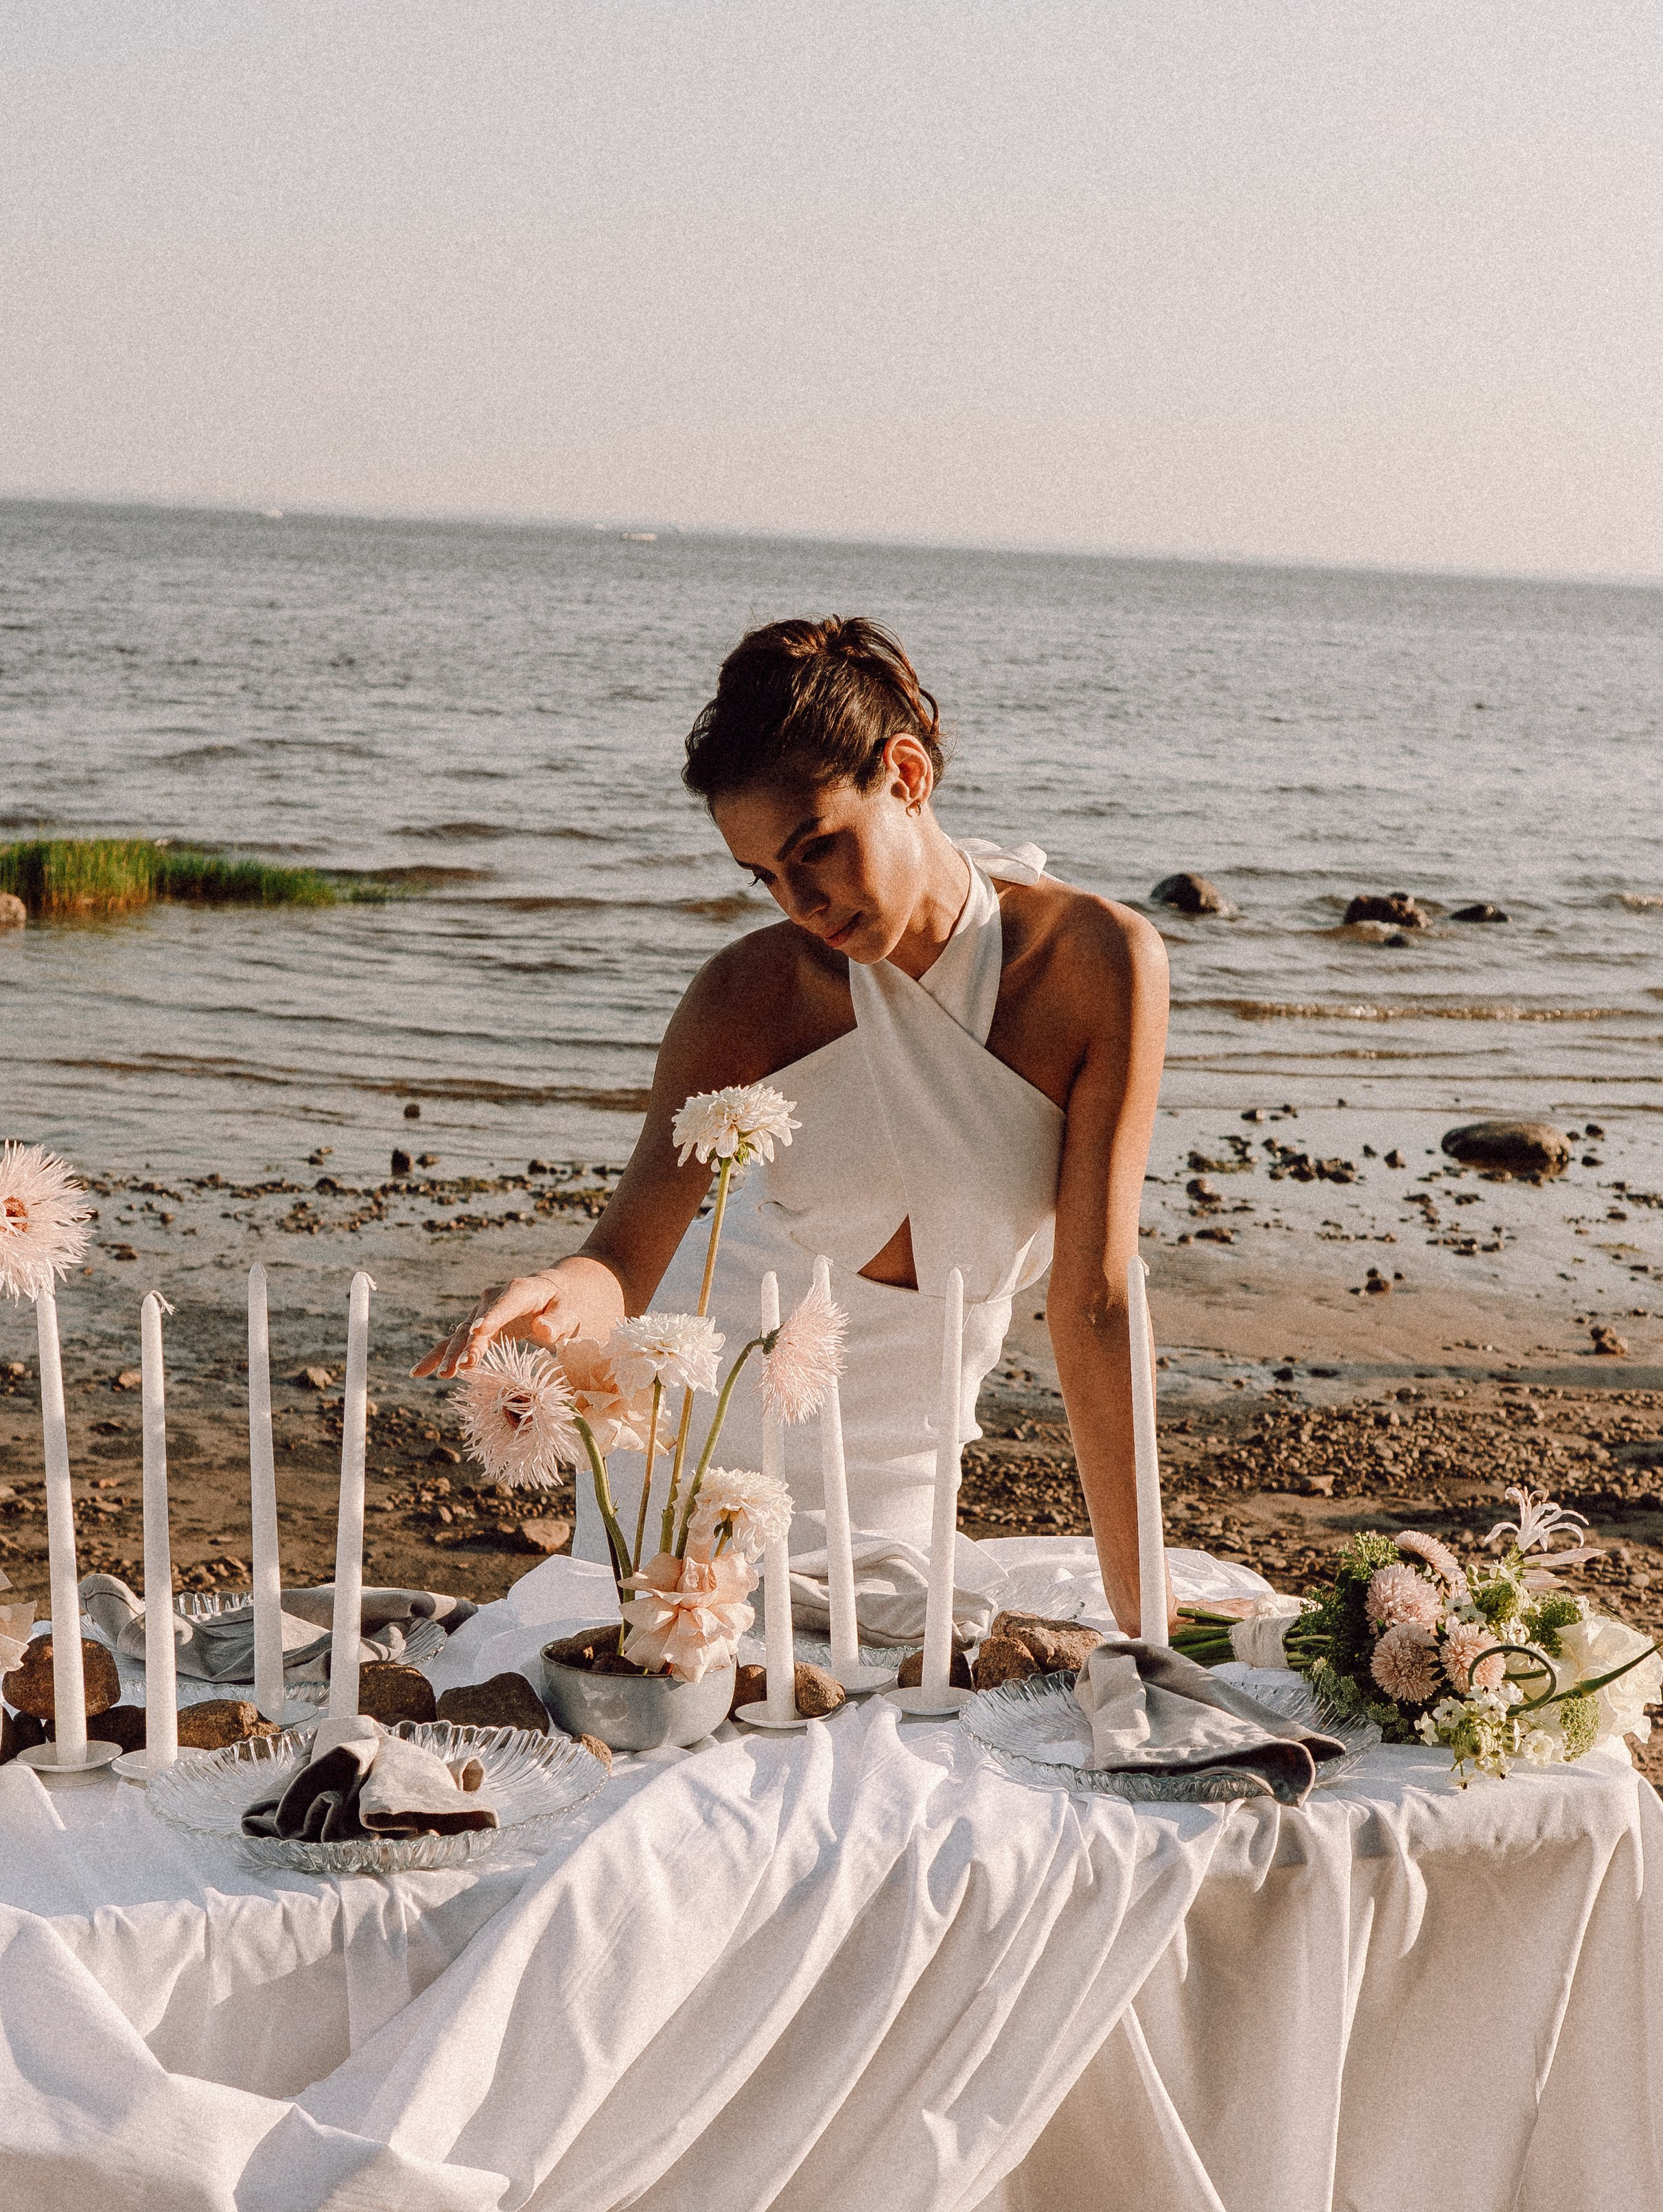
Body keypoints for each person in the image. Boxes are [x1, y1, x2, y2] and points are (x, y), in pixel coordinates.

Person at [418, 617, 1172, 1635]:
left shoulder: (1097, 964)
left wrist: (1145, 1613)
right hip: (701, 1455)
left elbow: (1094, 1303)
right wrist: (557, 1295)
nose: (800, 900)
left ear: (905, 774)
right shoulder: (748, 996)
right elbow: (625, 1257)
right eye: (764, 875)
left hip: (908, 1463)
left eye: (817, 847)